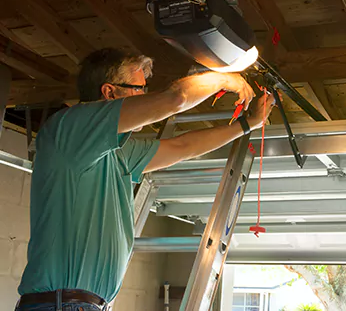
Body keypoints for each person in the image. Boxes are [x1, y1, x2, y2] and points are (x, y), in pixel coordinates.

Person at [15, 48, 275, 311]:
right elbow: (175, 99)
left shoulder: (118, 151)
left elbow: (182, 147)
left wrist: (247, 124)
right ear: (109, 92)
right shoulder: (69, 131)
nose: (144, 97)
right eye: (138, 89)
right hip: (62, 304)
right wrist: (225, 78)